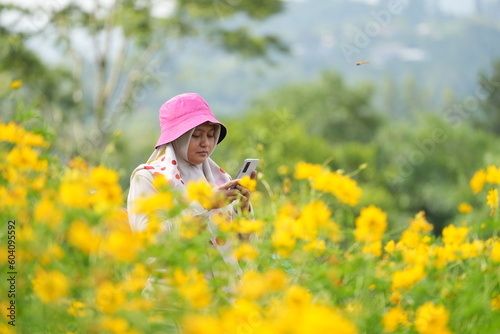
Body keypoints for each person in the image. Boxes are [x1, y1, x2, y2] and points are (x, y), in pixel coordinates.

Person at [127, 93, 254, 271]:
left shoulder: (221, 180)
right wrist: (204, 205)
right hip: (174, 292)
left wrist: (243, 209)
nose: (205, 143)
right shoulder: (149, 178)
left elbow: (240, 249)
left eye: (211, 135)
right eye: (196, 136)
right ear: (177, 138)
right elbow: (150, 242)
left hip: (223, 292)